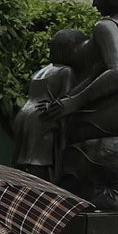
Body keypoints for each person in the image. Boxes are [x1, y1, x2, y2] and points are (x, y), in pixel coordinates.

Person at [13, 28, 94, 180]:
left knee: (24, 161)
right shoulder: (66, 72)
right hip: (44, 118)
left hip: (25, 115)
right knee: (40, 163)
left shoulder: (42, 71)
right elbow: (64, 103)